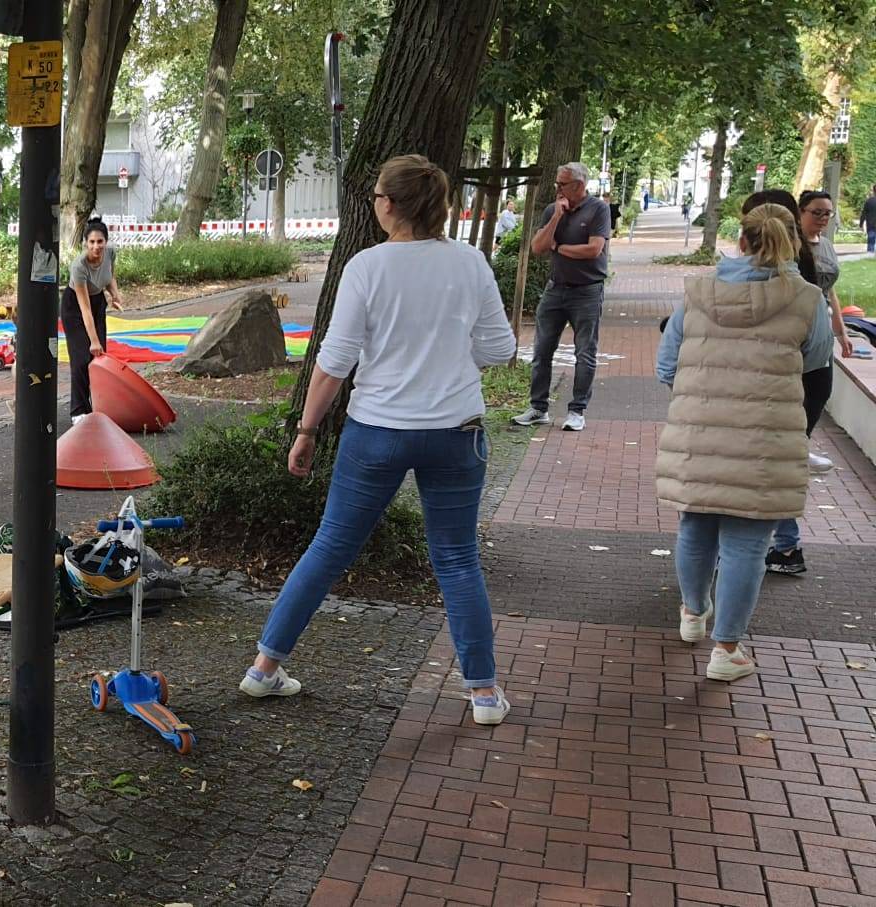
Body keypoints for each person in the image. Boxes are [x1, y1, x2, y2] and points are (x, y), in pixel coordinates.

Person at [239, 155, 518, 726]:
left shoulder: (366, 267)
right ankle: (484, 693)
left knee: (330, 547)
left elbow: (335, 363)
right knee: (458, 559)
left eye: (374, 196)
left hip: (378, 431)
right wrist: (447, 361)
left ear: (389, 205)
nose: (372, 204)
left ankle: (265, 668)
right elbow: (500, 349)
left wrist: (308, 429)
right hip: (455, 433)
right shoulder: (470, 263)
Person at [655, 203, 828, 682]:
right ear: (791, 242)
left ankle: (693, 613)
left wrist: (699, 396)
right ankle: (725, 650)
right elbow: (815, 362)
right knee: (748, 546)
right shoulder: (807, 298)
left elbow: (666, 365)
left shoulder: (697, 292)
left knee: (695, 525)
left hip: (698, 432)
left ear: (742, 241)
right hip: (766, 441)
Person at [764, 189, 858, 576]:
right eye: (817, 212)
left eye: (828, 213)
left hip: (810, 366)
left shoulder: (801, 268)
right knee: (780, 457)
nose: (823, 219)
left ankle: (783, 546)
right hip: (807, 363)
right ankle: (786, 545)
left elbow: (828, 292)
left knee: (777, 458)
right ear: (799, 215)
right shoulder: (792, 265)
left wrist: (841, 330)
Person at [513, 162, 612, 431]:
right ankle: (538, 407)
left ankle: (577, 410)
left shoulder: (598, 210)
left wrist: (559, 247)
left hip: (587, 291)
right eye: (557, 183)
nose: (557, 188)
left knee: (585, 353)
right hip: (555, 289)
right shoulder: (551, 210)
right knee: (542, 350)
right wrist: (556, 217)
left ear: (579, 185)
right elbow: (537, 247)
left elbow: (593, 250)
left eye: (562, 184)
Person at [63, 218, 126, 423]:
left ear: (106, 242)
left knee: (99, 358)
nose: (96, 246)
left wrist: (115, 295)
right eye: (92, 242)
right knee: (82, 358)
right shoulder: (79, 266)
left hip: (98, 301)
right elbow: (84, 309)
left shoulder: (110, 254)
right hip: (76, 307)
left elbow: (109, 277)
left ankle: (99, 405)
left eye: (100, 241)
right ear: (85, 243)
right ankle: (78, 411)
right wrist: (94, 340)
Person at [860, 185, 876, 255]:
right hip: (871, 225)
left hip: (871, 225)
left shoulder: (869, 201)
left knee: (870, 243)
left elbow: (863, 213)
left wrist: (861, 224)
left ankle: (870, 256)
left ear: (874, 191)